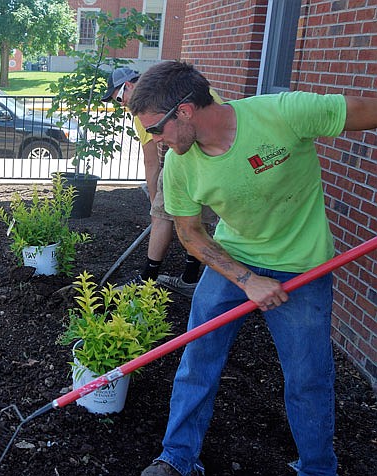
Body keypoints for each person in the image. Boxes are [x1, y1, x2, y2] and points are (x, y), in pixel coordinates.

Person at [127, 60, 377, 476]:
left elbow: (368, 110)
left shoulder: (284, 113)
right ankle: (176, 457)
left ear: (185, 111)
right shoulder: (180, 164)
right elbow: (190, 235)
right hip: (232, 261)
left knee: (308, 378)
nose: (154, 139)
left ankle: (317, 468)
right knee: (197, 360)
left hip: (303, 268)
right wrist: (246, 279)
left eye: (156, 128)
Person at [102, 67, 219, 297]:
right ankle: (189, 278)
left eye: (119, 98)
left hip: (187, 162)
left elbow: (151, 161)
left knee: (162, 218)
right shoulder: (178, 84)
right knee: (199, 218)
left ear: (130, 86)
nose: (123, 105)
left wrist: (155, 202)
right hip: (213, 159)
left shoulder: (143, 105)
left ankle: (148, 278)